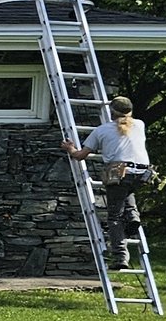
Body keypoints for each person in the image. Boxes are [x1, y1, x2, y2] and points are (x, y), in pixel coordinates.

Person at [64, 95, 153, 269]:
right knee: (127, 192)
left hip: (119, 173)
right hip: (143, 174)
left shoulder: (102, 130)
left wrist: (70, 148)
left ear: (111, 112)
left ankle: (120, 257)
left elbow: (80, 156)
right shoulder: (140, 125)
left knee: (114, 217)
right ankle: (133, 216)